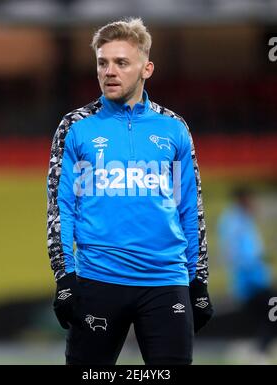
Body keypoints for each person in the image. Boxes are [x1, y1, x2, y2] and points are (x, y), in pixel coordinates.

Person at [47, 17, 213, 365]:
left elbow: (189, 207)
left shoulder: (174, 128)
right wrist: (65, 276)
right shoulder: (75, 127)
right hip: (98, 280)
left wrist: (198, 279)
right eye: (102, 62)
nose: (110, 71)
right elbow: (61, 207)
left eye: (121, 62)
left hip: (166, 281)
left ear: (146, 68)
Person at [217, 186, 276, 358]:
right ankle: (258, 352)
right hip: (251, 282)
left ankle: (256, 351)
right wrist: (255, 260)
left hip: (255, 280)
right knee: (271, 315)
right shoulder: (233, 221)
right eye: (251, 199)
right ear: (242, 199)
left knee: (265, 318)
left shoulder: (242, 220)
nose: (254, 203)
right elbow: (233, 253)